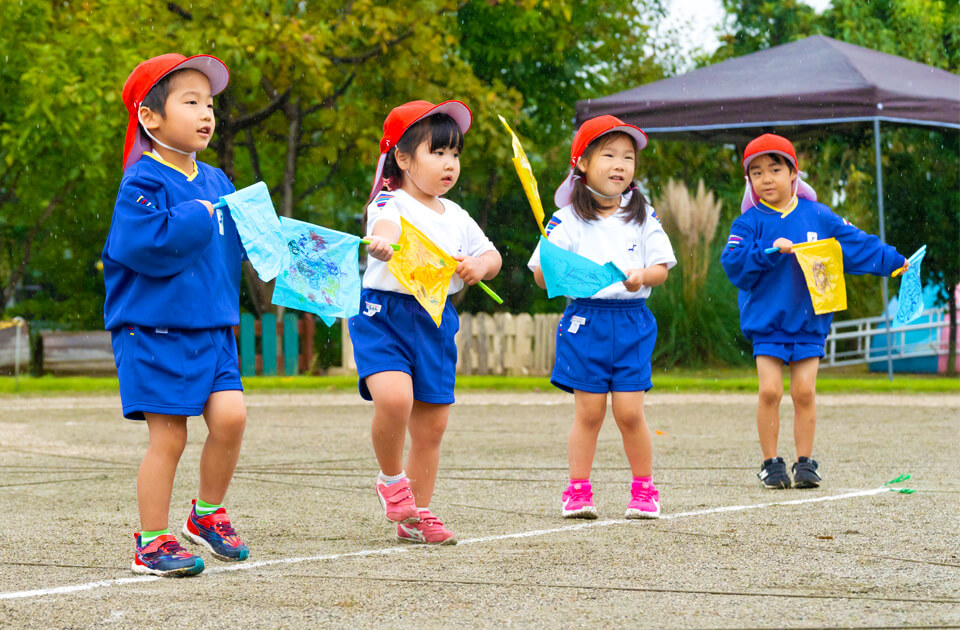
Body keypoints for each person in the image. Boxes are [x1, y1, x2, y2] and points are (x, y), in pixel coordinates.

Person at [102, 54, 250, 576]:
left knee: (231, 418)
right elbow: (142, 246)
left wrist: (324, 251)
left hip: (212, 329)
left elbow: (255, 242)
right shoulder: (141, 182)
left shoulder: (218, 181)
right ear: (150, 118)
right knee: (169, 435)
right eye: (191, 102)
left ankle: (206, 515)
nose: (207, 113)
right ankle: (152, 540)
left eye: (210, 103)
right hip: (154, 330)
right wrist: (199, 214)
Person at [350, 100, 502, 544]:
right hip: (385, 314)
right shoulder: (389, 201)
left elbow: (491, 255)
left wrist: (478, 265)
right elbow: (384, 229)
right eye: (437, 153)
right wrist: (380, 244)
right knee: (395, 400)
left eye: (454, 154)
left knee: (432, 425)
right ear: (402, 157)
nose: (449, 164)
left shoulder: (456, 215)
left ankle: (416, 515)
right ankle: (391, 479)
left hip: (435, 318)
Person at [720, 133, 907, 490]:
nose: (766, 179)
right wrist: (768, 250)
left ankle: (805, 463)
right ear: (749, 181)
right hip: (768, 326)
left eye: (775, 169)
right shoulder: (748, 223)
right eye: (756, 173)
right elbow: (733, 264)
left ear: (794, 174)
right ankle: (770, 463)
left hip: (809, 324)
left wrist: (894, 262)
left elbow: (856, 244)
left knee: (804, 392)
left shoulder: (818, 215)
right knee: (770, 391)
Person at [527, 115, 676, 519]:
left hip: (632, 322)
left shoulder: (643, 214)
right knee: (589, 413)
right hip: (583, 322)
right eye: (608, 154)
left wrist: (642, 276)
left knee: (630, 412)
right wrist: (550, 265)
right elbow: (543, 280)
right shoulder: (566, 220)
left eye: (628, 157)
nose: (620, 164)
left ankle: (644, 490)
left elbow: (661, 268)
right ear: (582, 163)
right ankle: (577, 491)